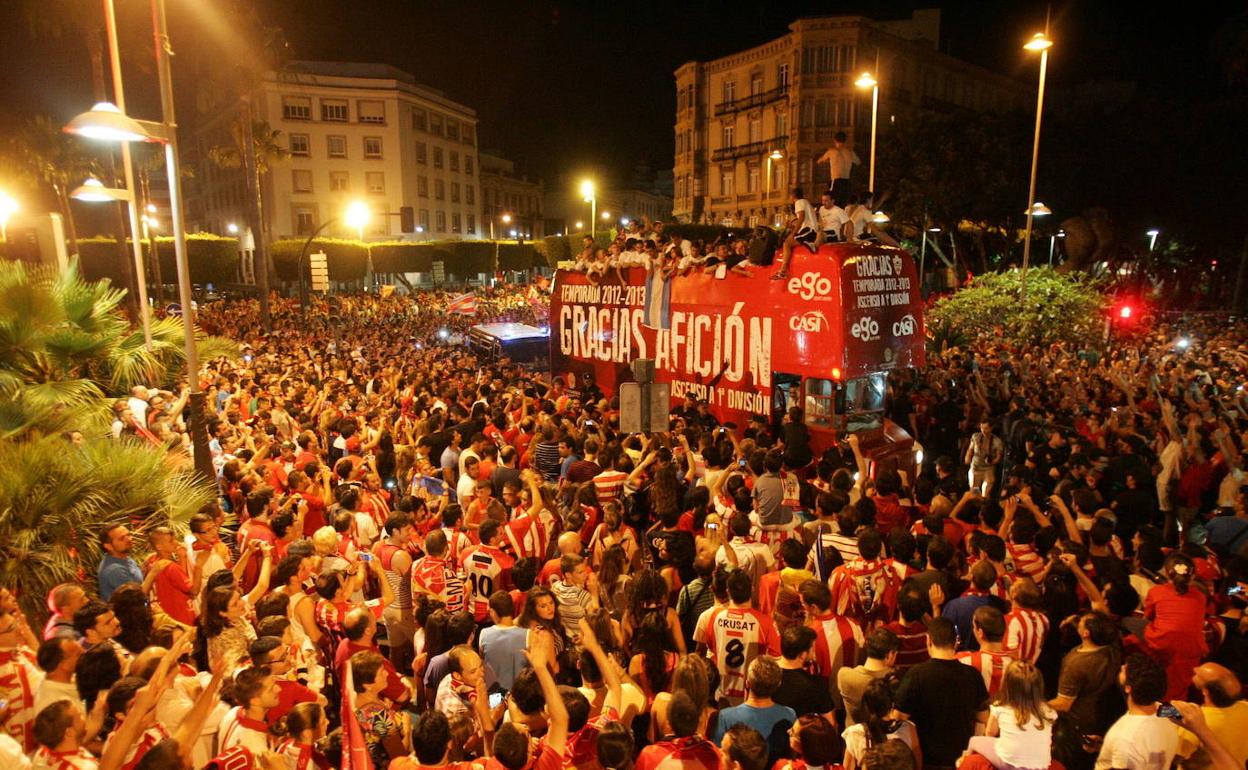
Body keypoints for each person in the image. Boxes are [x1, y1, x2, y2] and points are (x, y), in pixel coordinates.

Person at [895, 617, 989, 769]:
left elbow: (899, 717)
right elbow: (984, 717)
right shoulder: (973, 675)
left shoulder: (916, 674)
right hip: (961, 759)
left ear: (929, 640)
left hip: (927, 760)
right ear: (956, 641)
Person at [702, 570, 781, 705]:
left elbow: (711, 650)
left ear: (728, 591)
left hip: (721, 694)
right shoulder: (765, 623)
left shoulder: (714, 617)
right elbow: (776, 659)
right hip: (751, 696)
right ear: (752, 589)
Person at [1094, 654, 1179, 770]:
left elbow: (1134, 744)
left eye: (1124, 671)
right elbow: (1144, 748)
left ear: (1129, 688)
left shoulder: (1126, 738)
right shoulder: (1168, 711)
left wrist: (1117, 743)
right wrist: (1105, 745)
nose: (1122, 666)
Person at [966, 661, 1055, 770]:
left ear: (1007, 685)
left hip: (1009, 764)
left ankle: (964, 762)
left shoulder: (1000, 707)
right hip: (1041, 766)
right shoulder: (1049, 711)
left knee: (974, 741)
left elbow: (990, 733)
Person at [1143, 553, 1207, 701]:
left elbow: (1147, 616)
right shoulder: (1200, 597)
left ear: (1166, 572)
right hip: (1191, 647)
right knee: (1178, 689)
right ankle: (1172, 717)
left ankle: (1163, 713)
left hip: (1162, 642)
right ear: (1192, 576)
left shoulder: (1155, 591)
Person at [1175, 663, 1248, 770]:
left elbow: (1175, 758)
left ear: (1206, 691)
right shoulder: (1245, 707)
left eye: (1198, 674)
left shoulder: (1194, 722)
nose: (1194, 668)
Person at [842, 678, 920, 770]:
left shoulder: (855, 734)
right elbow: (917, 765)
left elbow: (847, 768)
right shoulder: (908, 728)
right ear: (892, 705)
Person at [839, 628, 900, 727]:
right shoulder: (893, 681)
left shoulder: (844, 675)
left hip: (852, 738)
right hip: (883, 738)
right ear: (889, 654)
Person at [773, 188, 819, 281]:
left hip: (809, 230)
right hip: (807, 230)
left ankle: (783, 271)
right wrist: (791, 226)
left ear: (793, 196)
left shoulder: (799, 202)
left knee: (787, 243)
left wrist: (793, 234)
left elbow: (801, 218)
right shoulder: (804, 202)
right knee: (787, 243)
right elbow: (801, 220)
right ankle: (783, 270)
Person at [97, 525, 142, 602]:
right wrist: (153, 573)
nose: (129, 539)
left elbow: (135, 578)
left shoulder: (123, 557)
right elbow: (137, 598)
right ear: (109, 546)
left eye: (128, 535)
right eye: (122, 538)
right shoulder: (114, 570)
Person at [817, 131, 860, 202]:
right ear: (845, 141)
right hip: (846, 181)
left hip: (836, 180)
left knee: (833, 201)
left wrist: (827, 161)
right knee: (844, 202)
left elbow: (819, 161)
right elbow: (858, 162)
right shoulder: (850, 153)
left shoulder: (831, 152)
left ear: (835, 140)